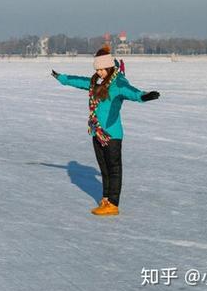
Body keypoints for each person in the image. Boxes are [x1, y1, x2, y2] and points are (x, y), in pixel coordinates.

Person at [51, 45, 160, 216]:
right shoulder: (96, 82)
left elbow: (131, 92)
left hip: (112, 135)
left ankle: (113, 204)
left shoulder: (118, 83)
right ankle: (106, 200)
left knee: (114, 169)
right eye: (97, 69)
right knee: (104, 169)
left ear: (109, 67)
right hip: (97, 132)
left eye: (102, 69)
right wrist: (62, 78)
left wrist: (143, 96)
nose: (100, 72)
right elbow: (80, 81)